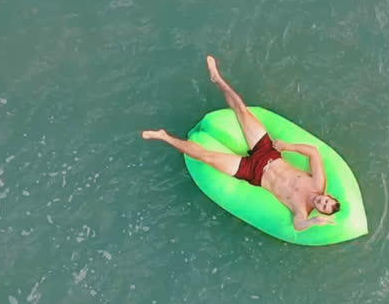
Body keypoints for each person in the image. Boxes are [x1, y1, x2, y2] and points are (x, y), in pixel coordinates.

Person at [141, 56, 341, 231]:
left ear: (320, 210)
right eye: (325, 200)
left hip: (253, 172)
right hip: (269, 153)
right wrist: (288, 147)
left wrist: (314, 222)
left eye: (322, 206)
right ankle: (217, 78)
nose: (320, 201)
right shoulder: (318, 183)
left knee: (206, 157)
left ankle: (164, 137)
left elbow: (298, 226)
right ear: (328, 195)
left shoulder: (302, 210)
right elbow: (314, 153)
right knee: (242, 110)